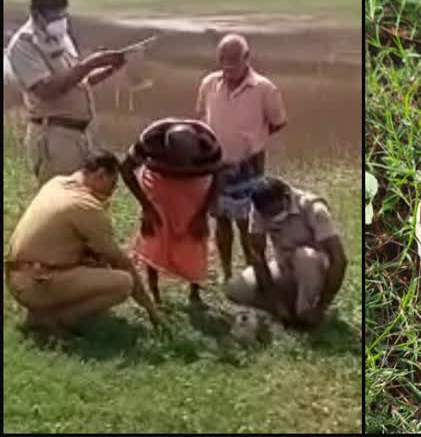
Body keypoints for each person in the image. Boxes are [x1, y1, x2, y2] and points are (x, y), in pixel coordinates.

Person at [4, 150, 160, 337]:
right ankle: (53, 321)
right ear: (100, 174)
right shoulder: (84, 205)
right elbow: (120, 262)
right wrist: (152, 311)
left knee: (96, 261)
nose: (112, 192)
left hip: (19, 277)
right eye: (112, 184)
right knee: (123, 282)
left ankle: (44, 310)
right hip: (34, 284)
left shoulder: (56, 183)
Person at [6, 0, 127, 186]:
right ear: (36, 14)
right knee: (62, 197)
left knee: (86, 196)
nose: (60, 21)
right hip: (55, 138)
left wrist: (108, 69)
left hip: (81, 135)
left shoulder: (61, 36)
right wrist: (91, 62)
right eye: (54, 16)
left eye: (63, 14)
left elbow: (77, 82)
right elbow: (47, 90)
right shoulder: (23, 46)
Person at [196, 34, 287, 282]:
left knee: (248, 224)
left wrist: (253, 139)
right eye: (223, 61)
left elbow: (278, 122)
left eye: (234, 62)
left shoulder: (265, 88)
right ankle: (226, 273)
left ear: (247, 58)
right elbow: (202, 116)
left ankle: (253, 273)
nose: (228, 67)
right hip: (216, 165)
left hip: (249, 166)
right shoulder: (208, 83)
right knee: (221, 221)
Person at [120, 118, 223, 305]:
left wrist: (202, 213)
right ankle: (154, 292)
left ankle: (195, 293)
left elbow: (219, 177)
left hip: (194, 188)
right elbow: (126, 169)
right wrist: (147, 207)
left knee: (194, 238)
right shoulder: (150, 139)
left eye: (186, 161)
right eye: (177, 160)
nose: (182, 166)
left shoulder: (209, 144)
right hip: (159, 183)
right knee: (155, 235)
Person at [224, 177, 347, 327]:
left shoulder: (313, 208)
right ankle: (286, 308)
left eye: (275, 210)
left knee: (305, 257)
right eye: (268, 214)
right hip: (285, 265)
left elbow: (339, 259)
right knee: (236, 290)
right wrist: (276, 303)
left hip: (316, 266)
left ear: (286, 196)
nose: (272, 216)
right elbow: (257, 256)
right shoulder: (259, 210)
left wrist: (322, 307)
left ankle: (308, 310)